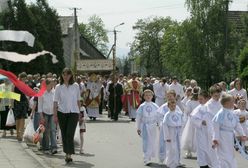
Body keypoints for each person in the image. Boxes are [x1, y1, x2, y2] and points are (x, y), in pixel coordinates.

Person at [53, 68, 80, 163]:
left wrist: (80, 113)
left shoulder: (75, 86)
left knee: (69, 133)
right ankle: (67, 154)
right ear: (61, 75)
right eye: (64, 74)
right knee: (64, 134)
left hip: (73, 112)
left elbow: (78, 100)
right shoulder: (58, 87)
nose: (66, 76)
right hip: (62, 112)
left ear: (71, 75)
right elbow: (55, 102)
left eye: (68, 74)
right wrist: (55, 115)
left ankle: (69, 153)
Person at [212, 93, 246, 168]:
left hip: (230, 137)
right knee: (223, 155)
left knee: (230, 154)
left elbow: (237, 124)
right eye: (232, 101)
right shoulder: (220, 114)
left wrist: (242, 134)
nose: (233, 103)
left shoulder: (232, 113)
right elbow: (216, 126)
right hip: (222, 137)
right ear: (227, 103)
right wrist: (215, 139)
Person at [191, 90, 219, 168]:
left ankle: (213, 164)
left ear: (207, 98)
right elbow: (193, 118)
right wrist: (200, 122)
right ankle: (203, 164)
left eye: (201, 99)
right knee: (202, 149)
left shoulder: (212, 106)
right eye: (198, 99)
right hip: (201, 132)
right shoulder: (199, 108)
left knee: (212, 150)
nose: (199, 101)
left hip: (211, 132)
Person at [136, 89, 159, 166]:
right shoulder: (142, 106)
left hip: (153, 126)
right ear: (144, 97)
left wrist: (159, 124)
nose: (148, 96)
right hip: (145, 126)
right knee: (146, 141)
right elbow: (138, 117)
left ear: (152, 96)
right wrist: (138, 127)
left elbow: (158, 116)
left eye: (150, 95)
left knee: (152, 141)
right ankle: (146, 158)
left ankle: (149, 156)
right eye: (146, 95)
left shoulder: (155, 106)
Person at [163, 99, 184, 168]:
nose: (173, 107)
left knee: (178, 147)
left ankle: (177, 161)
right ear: (168, 106)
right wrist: (167, 137)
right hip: (171, 132)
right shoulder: (167, 115)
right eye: (171, 106)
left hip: (177, 132)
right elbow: (165, 126)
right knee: (171, 148)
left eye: (174, 105)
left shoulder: (178, 113)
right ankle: (170, 162)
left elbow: (181, 123)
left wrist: (181, 132)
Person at [39, 78, 57, 154]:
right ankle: (46, 147)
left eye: (53, 84)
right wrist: (41, 116)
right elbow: (40, 106)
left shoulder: (55, 92)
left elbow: (57, 104)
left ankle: (53, 147)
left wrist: (56, 115)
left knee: (53, 130)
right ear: (46, 84)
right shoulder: (42, 93)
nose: (52, 85)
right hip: (45, 113)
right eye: (51, 84)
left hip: (53, 113)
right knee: (45, 131)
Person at [182, 87, 200, 158]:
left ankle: (196, 151)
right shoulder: (190, 101)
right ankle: (189, 151)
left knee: (196, 136)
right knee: (190, 135)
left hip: (197, 120)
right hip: (192, 120)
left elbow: (186, 111)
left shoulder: (197, 101)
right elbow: (187, 111)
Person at [14, 72, 29, 141]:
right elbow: (12, 94)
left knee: (23, 118)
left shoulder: (25, 84)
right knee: (18, 119)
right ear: (21, 78)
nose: (25, 79)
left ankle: (21, 135)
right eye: (24, 78)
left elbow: (26, 94)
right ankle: (17, 133)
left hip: (24, 102)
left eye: (25, 78)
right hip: (17, 102)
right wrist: (11, 104)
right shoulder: (16, 84)